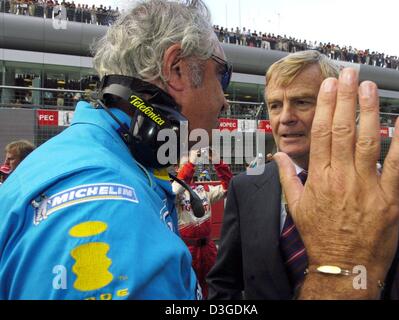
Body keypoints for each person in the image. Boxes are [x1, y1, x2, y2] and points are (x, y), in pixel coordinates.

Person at [0, 0, 230, 300]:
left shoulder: (75, 155)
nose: (224, 100)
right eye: (221, 75)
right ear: (176, 70)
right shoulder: (113, 209)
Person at [207, 51, 399, 300]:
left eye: (302, 102)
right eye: (275, 105)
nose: (285, 117)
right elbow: (224, 284)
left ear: (337, 106)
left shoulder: (383, 190)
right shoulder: (245, 188)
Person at [172, 148, 233, 298]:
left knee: (213, 287)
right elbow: (177, 189)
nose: (191, 167)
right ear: (177, 168)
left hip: (208, 248)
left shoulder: (203, 189)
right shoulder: (171, 190)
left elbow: (229, 187)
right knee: (187, 289)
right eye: (186, 164)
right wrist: (191, 163)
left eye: (192, 164)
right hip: (187, 249)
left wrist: (218, 162)